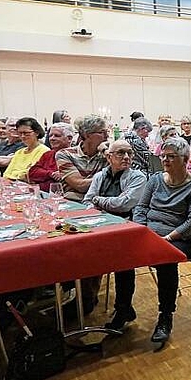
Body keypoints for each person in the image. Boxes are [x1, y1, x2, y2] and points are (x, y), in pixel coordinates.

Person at [133, 137, 191, 343]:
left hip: (179, 236)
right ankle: (123, 309)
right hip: (148, 232)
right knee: (122, 255)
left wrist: (167, 237)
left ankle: (165, 316)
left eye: (171, 156)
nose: (165, 160)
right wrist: (142, 231)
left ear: (184, 160)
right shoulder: (156, 180)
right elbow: (141, 208)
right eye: (163, 155)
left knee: (165, 258)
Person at [82, 140, 147, 331]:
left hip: (126, 225)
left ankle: (123, 307)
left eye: (129, 153)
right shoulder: (101, 175)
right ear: (108, 157)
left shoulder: (138, 177)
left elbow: (124, 204)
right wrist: (98, 204)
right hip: (100, 225)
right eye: (120, 153)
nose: (126, 157)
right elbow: (87, 200)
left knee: (123, 261)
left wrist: (98, 201)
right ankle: (85, 299)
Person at [55, 115, 109, 313]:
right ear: (86, 135)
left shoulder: (108, 155)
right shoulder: (65, 154)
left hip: (99, 209)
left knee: (94, 244)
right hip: (70, 208)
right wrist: (104, 175)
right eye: (102, 132)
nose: (107, 135)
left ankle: (86, 296)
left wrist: (109, 159)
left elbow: (112, 184)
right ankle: (68, 287)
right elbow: (77, 184)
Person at [29, 122, 74, 191]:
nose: (52, 139)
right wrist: (51, 174)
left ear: (69, 139)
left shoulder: (75, 156)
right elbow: (32, 173)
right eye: (50, 136)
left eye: (57, 136)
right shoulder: (48, 154)